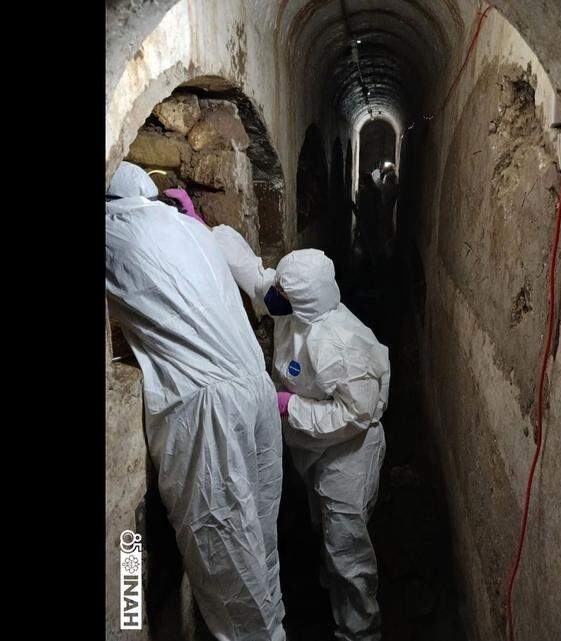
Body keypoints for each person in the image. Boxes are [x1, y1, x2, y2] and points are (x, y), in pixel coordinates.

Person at [104, 161, 286, 641]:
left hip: (210, 411)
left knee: (233, 577)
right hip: (254, 389)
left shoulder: (116, 232)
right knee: (261, 554)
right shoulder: (192, 229)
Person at [212, 226, 390, 641]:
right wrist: (207, 232)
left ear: (305, 302)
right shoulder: (296, 307)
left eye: (283, 295)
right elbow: (257, 278)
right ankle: (329, 590)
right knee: (323, 528)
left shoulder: (345, 347)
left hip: (348, 455)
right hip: (311, 449)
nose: (272, 298)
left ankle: (359, 630)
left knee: (348, 550)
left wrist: (290, 407)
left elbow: (355, 415)